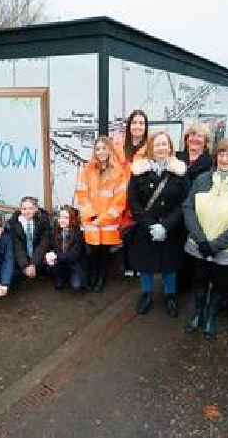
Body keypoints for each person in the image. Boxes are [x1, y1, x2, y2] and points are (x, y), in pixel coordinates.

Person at [183, 137, 228, 340]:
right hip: (199, 246)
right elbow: (188, 208)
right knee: (199, 281)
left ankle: (211, 317)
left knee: (220, 285)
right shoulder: (202, 180)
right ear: (216, 157)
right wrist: (201, 241)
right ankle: (199, 313)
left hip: (227, 251)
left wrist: (215, 245)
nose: (225, 158)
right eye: (221, 154)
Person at [127, 132, 187, 317]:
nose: (161, 148)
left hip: (171, 229)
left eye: (165, 144)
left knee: (169, 264)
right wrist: (150, 225)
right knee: (146, 264)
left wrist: (166, 226)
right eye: (157, 144)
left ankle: (170, 295)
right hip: (147, 228)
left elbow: (184, 202)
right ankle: (146, 294)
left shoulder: (180, 171)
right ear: (151, 148)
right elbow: (133, 201)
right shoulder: (138, 172)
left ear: (170, 148)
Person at [74, 136, 127, 292]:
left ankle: (101, 278)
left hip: (108, 223)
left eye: (104, 148)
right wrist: (92, 216)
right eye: (98, 149)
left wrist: (102, 218)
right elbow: (81, 194)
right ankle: (92, 275)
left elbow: (120, 200)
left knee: (105, 253)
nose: (101, 151)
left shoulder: (119, 173)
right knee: (92, 252)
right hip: (91, 222)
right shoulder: (87, 170)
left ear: (110, 150)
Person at [175, 123, 213, 294]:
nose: (195, 139)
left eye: (200, 136)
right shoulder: (176, 157)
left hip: (197, 211)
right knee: (176, 246)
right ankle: (175, 282)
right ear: (186, 138)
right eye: (192, 135)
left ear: (205, 141)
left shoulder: (211, 162)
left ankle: (189, 284)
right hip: (175, 210)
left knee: (192, 248)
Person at [116, 109, 149, 278]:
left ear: (145, 127)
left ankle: (140, 266)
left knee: (140, 234)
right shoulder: (120, 147)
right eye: (134, 122)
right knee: (126, 233)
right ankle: (128, 264)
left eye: (141, 123)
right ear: (129, 126)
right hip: (122, 197)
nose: (137, 126)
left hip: (143, 197)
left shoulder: (150, 147)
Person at [9, 196, 51, 283]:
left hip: (37, 255)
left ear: (36, 209)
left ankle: (36, 270)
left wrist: (33, 264)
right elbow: (17, 246)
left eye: (30, 208)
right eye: (24, 209)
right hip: (23, 255)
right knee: (13, 273)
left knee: (49, 266)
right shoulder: (15, 222)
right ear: (20, 209)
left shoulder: (43, 220)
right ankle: (25, 270)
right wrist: (24, 265)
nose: (27, 211)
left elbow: (43, 244)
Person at [46, 205, 87, 292]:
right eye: (60, 217)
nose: (62, 220)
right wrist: (49, 255)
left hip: (74, 264)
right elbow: (51, 247)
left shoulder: (78, 233)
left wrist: (56, 256)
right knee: (50, 265)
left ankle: (70, 275)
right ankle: (60, 277)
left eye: (66, 218)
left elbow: (73, 255)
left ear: (71, 219)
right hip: (60, 264)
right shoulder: (54, 231)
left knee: (76, 286)